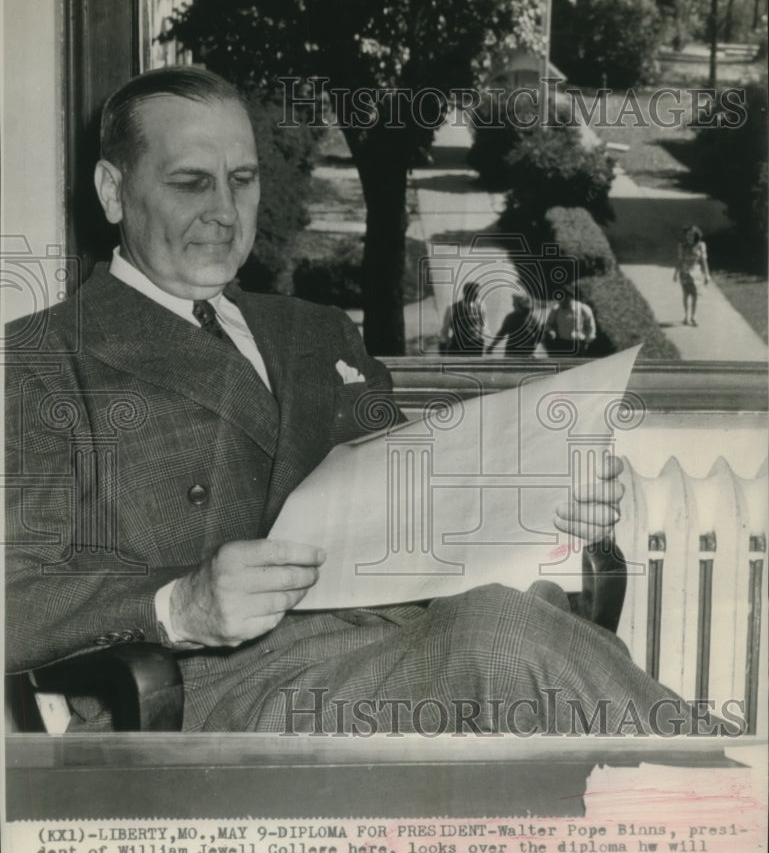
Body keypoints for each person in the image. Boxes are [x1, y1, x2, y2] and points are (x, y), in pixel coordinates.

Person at [6, 67, 697, 736]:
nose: (223, 211)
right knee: (501, 639)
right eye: (190, 182)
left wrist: (542, 507)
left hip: (409, 637)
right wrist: (177, 605)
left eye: (242, 181)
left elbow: (418, 520)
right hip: (220, 689)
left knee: (513, 616)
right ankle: (728, 792)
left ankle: (717, 790)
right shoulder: (40, 362)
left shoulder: (315, 329)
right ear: (112, 191)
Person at [487, 291, 542, 358]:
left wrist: (534, 345)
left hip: (526, 354)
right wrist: (491, 346)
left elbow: (539, 335)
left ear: (521, 305)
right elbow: (501, 333)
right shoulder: (510, 317)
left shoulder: (532, 318)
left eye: (514, 303)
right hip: (512, 352)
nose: (512, 305)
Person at [544, 285, 596, 356]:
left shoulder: (583, 309)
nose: (560, 301)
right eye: (559, 299)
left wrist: (587, 342)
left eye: (563, 298)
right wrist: (551, 331)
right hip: (562, 344)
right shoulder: (556, 310)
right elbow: (548, 325)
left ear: (570, 297)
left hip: (579, 344)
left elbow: (591, 327)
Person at [673, 224, 709, 327]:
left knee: (695, 295)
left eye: (692, 235)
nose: (689, 237)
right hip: (684, 273)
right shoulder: (682, 246)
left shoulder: (701, 246)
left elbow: (704, 261)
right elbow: (679, 261)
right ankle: (686, 316)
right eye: (688, 235)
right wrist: (675, 273)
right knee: (686, 294)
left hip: (696, 273)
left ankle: (693, 316)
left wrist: (707, 274)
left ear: (696, 236)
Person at [439, 280, 487, 354]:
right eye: (474, 293)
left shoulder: (480, 306)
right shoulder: (452, 307)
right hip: (458, 345)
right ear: (466, 293)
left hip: (475, 346)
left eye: (477, 294)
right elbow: (445, 328)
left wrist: (482, 340)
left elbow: (483, 325)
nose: (476, 296)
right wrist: (443, 343)